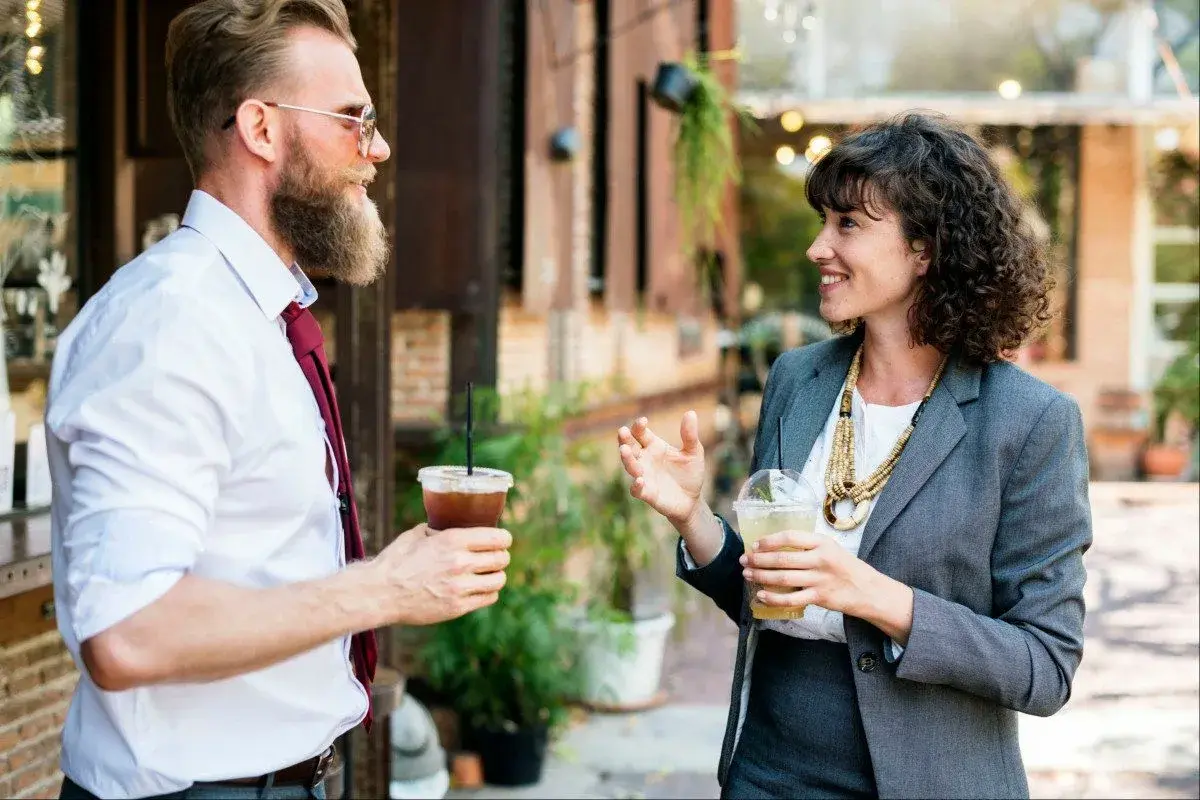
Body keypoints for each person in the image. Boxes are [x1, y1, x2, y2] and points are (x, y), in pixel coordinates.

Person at [46, 2, 511, 798]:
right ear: (261, 129)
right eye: (354, 120)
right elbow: (127, 634)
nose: (378, 149)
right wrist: (386, 587)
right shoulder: (170, 322)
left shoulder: (256, 314)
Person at [617, 112, 1092, 799]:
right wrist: (692, 516)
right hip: (769, 771)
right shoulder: (797, 379)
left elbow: (1044, 666)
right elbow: (766, 598)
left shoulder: (1030, 421)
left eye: (848, 224)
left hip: (932, 782)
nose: (818, 247)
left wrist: (873, 595)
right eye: (823, 222)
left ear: (925, 249)